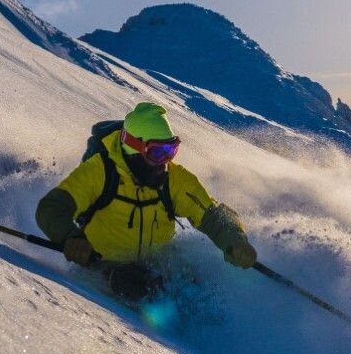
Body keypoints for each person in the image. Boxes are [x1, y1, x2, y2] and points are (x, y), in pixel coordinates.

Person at [35, 102, 257, 303]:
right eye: (159, 153)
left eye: (171, 150)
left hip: (157, 264)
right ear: (134, 149)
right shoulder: (100, 171)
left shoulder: (174, 179)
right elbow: (51, 209)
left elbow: (212, 215)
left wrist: (234, 239)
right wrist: (71, 238)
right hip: (104, 266)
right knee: (137, 287)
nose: (166, 162)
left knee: (198, 290)